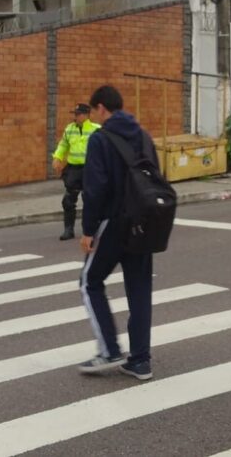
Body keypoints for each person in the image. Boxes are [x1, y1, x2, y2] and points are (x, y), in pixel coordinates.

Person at [77, 85, 157, 381]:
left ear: (101, 108)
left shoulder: (101, 139)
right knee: (139, 289)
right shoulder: (144, 136)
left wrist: (87, 231)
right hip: (144, 224)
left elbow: (94, 189)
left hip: (113, 223)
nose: (94, 118)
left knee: (89, 281)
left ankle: (109, 349)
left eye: (94, 112)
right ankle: (140, 361)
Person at [52, 103, 99, 241]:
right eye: (75, 114)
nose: (76, 116)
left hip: (90, 169)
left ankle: (89, 230)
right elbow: (63, 145)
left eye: (78, 114)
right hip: (73, 169)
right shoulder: (70, 129)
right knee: (68, 200)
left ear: (86, 115)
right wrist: (57, 157)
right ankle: (68, 229)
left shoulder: (96, 130)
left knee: (90, 200)